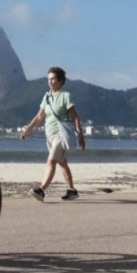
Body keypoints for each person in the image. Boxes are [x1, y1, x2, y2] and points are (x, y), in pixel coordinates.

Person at [20, 66, 86, 200]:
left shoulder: (65, 96)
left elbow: (75, 117)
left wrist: (80, 136)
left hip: (61, 135)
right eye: (48, 79)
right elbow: (39, 116)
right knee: (62, 163)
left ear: (60, 81)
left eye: (53, 79)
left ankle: (42, 190)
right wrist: (27, 130)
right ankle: (72, 190)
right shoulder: (46, 96)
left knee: (51, 161)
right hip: (49, 136)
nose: (50, 81)